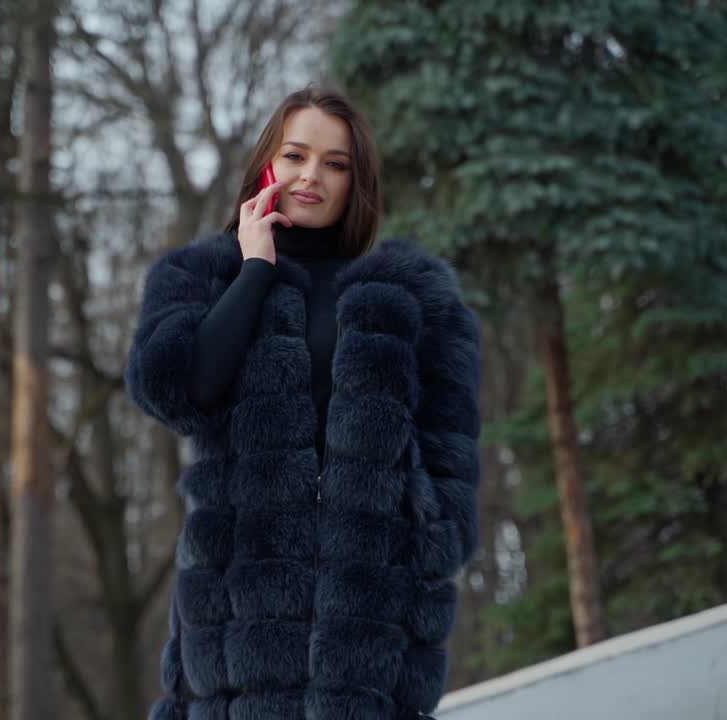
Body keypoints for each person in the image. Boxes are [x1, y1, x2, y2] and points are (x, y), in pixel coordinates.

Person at [124, 84, 482, 720]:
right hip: (238, 613)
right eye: (295, 155)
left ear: (357, 179)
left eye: (335, 163)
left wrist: (428, 550)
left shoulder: (413, 296)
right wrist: (255, 268)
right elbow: (177, 390)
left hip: (373, 615)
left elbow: (451, 453)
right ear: (267, 163)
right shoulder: (204, 275)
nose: (311, 175)